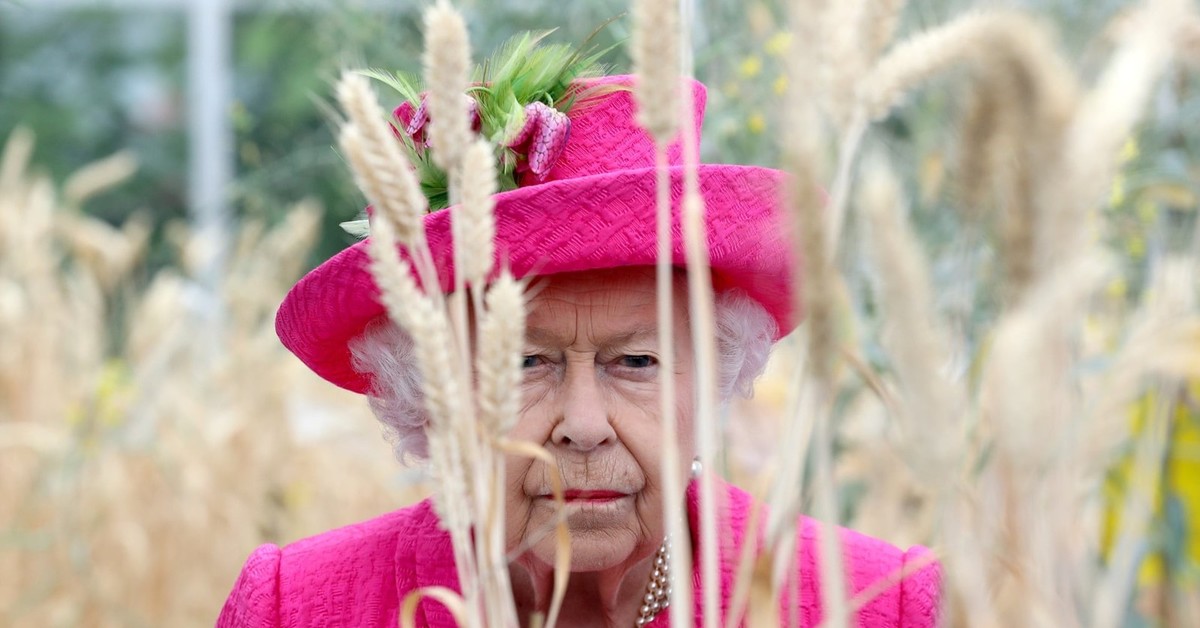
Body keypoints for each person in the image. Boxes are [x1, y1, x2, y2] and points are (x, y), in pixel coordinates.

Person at [217, 64, 940, 627]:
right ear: (425, 393)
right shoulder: (295, 608)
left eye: (636, 361)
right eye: (524, 362)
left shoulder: (882, 605)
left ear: (716, 375)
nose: (585, 425)